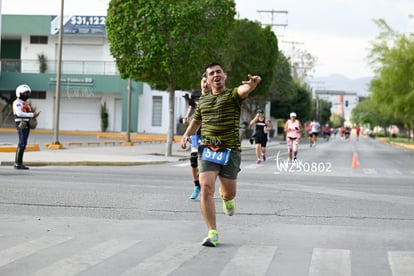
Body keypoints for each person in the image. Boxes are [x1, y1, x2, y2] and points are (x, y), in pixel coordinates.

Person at [181, 62, 261, 247]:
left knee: (229, 192)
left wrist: (253, 84)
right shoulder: (203, 101)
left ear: (224, 76)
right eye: (211, 73)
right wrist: (186, 136)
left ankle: (227, 198)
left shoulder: (232, 95)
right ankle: (212, 232)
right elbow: (196, 122)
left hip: (229, 151)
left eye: (219, 72)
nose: (215, 75)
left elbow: (244, 90)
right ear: (207, 80)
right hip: (207, 150)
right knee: (206, 188)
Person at [183, 74, 210, 200]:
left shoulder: (215, 96)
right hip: (196, 133)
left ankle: (211, 185)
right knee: (194, 161)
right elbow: (192, 106)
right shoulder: (195, 95)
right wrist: (187, 116)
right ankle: (197, 186)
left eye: (207, 82)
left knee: (208, 163)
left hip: (210, 134)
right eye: (203, 81)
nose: (205, 84)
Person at [12, 84, 40, 170]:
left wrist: (34, 116)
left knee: (24, 143)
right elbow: (19, 113)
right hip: (21, 123)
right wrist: (32, 114)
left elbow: (28, 112)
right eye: (24, 93)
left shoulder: (25, 103)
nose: (26, 95)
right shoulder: (17, 103)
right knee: (22, 143)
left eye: (27, 93)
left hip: (26, 123)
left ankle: (19, 162)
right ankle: (18, 163)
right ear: (19, 93)